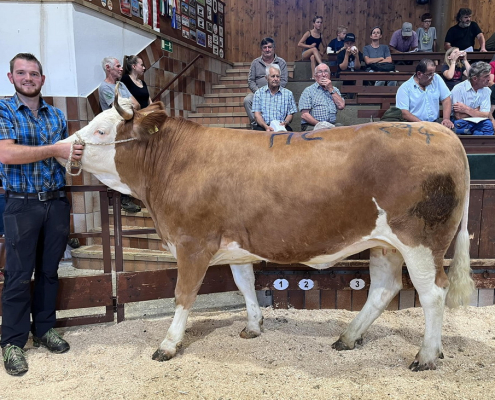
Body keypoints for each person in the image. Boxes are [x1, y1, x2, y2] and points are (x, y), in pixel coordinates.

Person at [0, 53, 85, 375]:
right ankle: (13, 342)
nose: (28, 78)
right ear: (11, 78)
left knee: (50, 271)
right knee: (19, 276)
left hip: (55, 201)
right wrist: (57, 150)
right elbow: (6, 153)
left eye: (34, 73)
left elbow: (67, 162)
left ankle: (44, 328)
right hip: (21, 203)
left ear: (42, 79)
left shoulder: (57, 116)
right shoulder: (3, 109)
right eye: (21, 73)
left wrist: (76, 158)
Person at [99, 56, 141, 213]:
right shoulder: (104, 88)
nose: (121, 68)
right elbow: (117, 109)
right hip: (115, 133)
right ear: (108, 68)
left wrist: (127, 104)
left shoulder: (121, 84)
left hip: (129, 128)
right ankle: (124, 199)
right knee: (122, 164)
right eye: (118, 66)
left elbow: (135, 104)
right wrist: (127, 104)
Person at [395, 58, 454, 128]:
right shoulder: (405, 88)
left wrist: (446, 119)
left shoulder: (436, 78)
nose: (432, 77)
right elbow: (404, 112)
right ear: (419, 74)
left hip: (434, 123)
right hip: (414, 125)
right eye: (429, 74)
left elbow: (446, 99)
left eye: (433, 73)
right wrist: (423, 125)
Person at [244, 38, 288, 126]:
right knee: (247, 100)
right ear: (261, 49)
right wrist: (259, 93)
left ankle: (278, 124)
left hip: (276, 92)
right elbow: (251, 80)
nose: (267, 50)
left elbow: (284, 80)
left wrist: (274, 91)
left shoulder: (281, 62)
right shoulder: (255, 63)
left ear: (273, 48)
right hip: (258, 92)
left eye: (269, 47)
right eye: (265, 47)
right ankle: (257, 124)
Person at [299, 63, 345, 130]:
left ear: (329, 75)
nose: (323, 75)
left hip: (331, 125)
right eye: (320, 72)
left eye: (326, 71)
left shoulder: (335, 90)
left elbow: (341, 106)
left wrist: (330, 89)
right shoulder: (308, 91)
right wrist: (320, 124)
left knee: (342, 129)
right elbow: (305, 115)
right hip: (313, 125)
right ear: (315, 76)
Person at [251, 64, 297, 131]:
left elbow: (290, 114)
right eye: (273, 76)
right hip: (263, 127)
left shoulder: (288, 94)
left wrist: (285, 123)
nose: (276, 79)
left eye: (278, 76)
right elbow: (257, 115)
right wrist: (265, 126)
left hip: (281, 126)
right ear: (266, 78)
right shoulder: (258, 93)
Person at [451, 62, 493, 135]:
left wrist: (466, 109)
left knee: (487, 125)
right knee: (459, 125)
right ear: (475, 78)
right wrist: (477, 111)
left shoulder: (487, 90)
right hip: (462, 122)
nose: (489, 79)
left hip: (480, 122)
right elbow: (458, 116)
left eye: (489, 75)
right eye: (486, 76)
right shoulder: (458, 89)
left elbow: (486, 114)